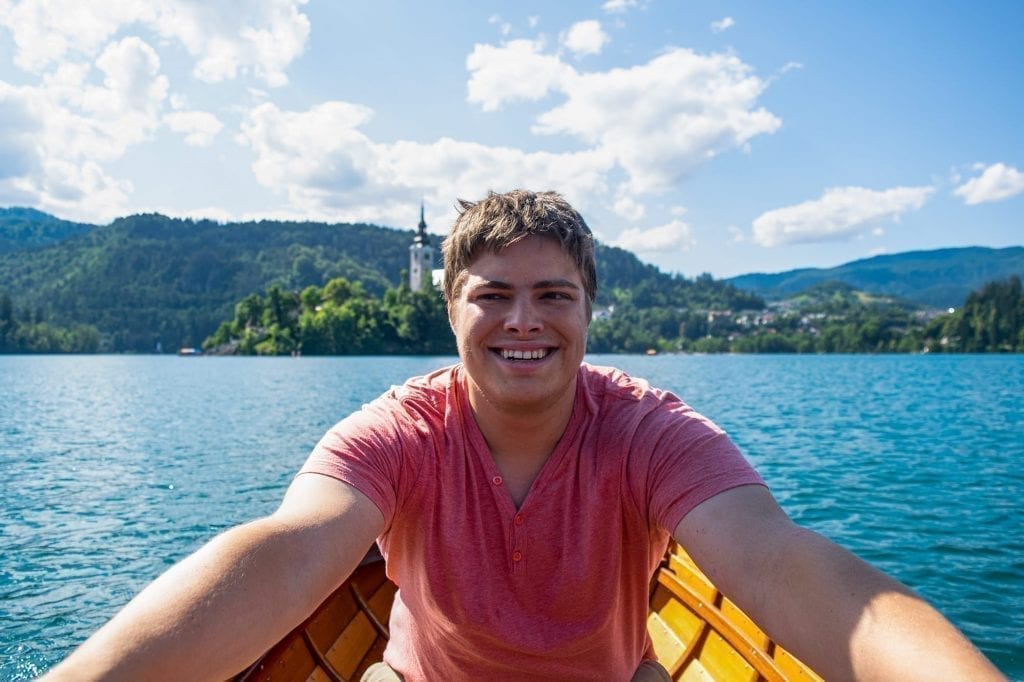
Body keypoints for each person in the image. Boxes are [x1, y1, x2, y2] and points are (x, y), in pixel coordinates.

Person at [44, 190, 1004, 681]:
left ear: (591, 309)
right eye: (492, 296)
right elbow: (287, 554)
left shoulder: (650, 432)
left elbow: (786, 568)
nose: (523, 322)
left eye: (553, 295)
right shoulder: (404, 429)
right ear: (449, 312)